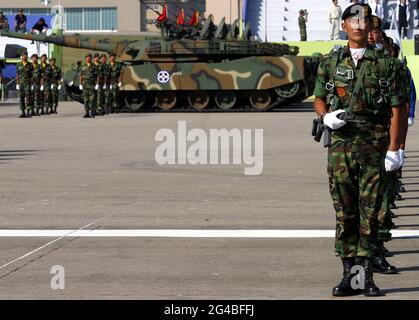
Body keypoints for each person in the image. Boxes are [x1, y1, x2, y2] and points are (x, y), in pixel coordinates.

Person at [314, 4, 401, 297]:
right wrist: (325, 116)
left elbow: (397, 109)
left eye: (364, 21)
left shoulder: (387, 64)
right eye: (353, 20)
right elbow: (319, 97)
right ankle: (348, 276)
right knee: (344, 212)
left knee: (371, 212)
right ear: (344, 26)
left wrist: (394, 149)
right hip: (340, 148)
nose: (359, 25)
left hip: (374, 145)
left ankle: (365, 276)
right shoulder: (330, 62)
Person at [80, 53, 99, 118]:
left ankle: (92, 112)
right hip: (85, 85)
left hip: (92, 85)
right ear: (85, 59)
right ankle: (87, 112)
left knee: (92, 99)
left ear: (91, 58)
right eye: (87, 57)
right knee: (86, 99)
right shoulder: (83, 67)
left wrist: (97, 84)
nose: (88, 58)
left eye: (89, 57)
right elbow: (81, 76)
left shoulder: (94, 66)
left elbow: (97, 76)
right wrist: (80, 83)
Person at [16, 51, 34, 118]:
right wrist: (17, 83)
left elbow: (32, 75)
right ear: (21, 56)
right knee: (21, 98)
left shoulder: (30, 65)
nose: (25, 56)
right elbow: (17, 75)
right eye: (23, 55)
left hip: (28, 84)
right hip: (21, 84)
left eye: (26, 55)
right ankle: (23, 112)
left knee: (28, 97)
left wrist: (32, 84)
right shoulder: (18, 64)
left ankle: (28, 112)